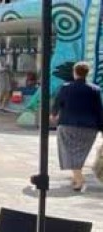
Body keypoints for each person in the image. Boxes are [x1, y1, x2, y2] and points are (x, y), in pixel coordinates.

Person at [51, 61, 103, 191]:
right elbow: (99, 110)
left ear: (74, 72)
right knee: (80, 153)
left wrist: (54, 114)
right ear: (87, 73)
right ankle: (76, 177)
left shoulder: (66, 87)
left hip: (68, 124)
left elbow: (57, 102)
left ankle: (79, 179)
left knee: (68, 151)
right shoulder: (95, 90)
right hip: (90, 127)